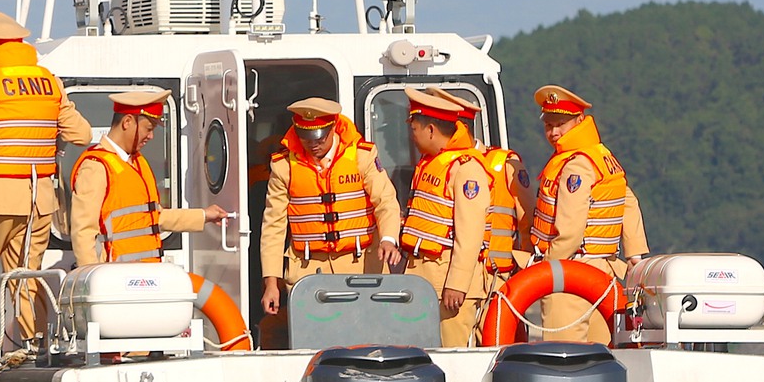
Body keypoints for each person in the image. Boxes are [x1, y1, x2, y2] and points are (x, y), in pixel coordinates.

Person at [0, 11, 94, 366]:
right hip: (39, 198)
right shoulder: (50, 84)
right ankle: (35, 342)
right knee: (27, 271)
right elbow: (83, 135)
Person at [395, 87, 523, 348]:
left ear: (431, 129)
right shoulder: (431, 164)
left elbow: (470, 233)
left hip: (448, 283)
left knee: (452, 355)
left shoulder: (466, 169)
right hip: (425, 278)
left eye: (415, 129)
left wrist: (457, 284)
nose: (413, 136)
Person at [259, 96, 402, 319]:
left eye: (319, 137)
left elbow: (386, 202)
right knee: (312, 338)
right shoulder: (283, 166)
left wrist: (388, 239)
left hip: (359, 265)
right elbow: (273, 226)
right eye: (305, 137)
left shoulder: (361, 157)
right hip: (307, 270)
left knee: (364, 332)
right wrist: (271, 282)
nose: (313, 144)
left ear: (333, 127)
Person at [526, 84, 649, 342]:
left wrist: (547, 268)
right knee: (601, 353)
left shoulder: (575, 165)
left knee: (563, 354)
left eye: (560, 124)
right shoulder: (603, 156)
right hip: (604, 271)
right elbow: (628, 202)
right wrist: (635, 253)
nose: (554, 132)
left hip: (571, 271)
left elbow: (570, 230)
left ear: (579, 120)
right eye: (548, 125)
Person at [68, 86, 226, 263]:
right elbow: (83, 232)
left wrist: (204, 216)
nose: (151, 136)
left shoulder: (136, 163)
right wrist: (92, 281)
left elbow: (155, 217)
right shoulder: (96, 166)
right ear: (127, 122)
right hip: (114, 280)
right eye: (148, 128)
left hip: (145, 277)